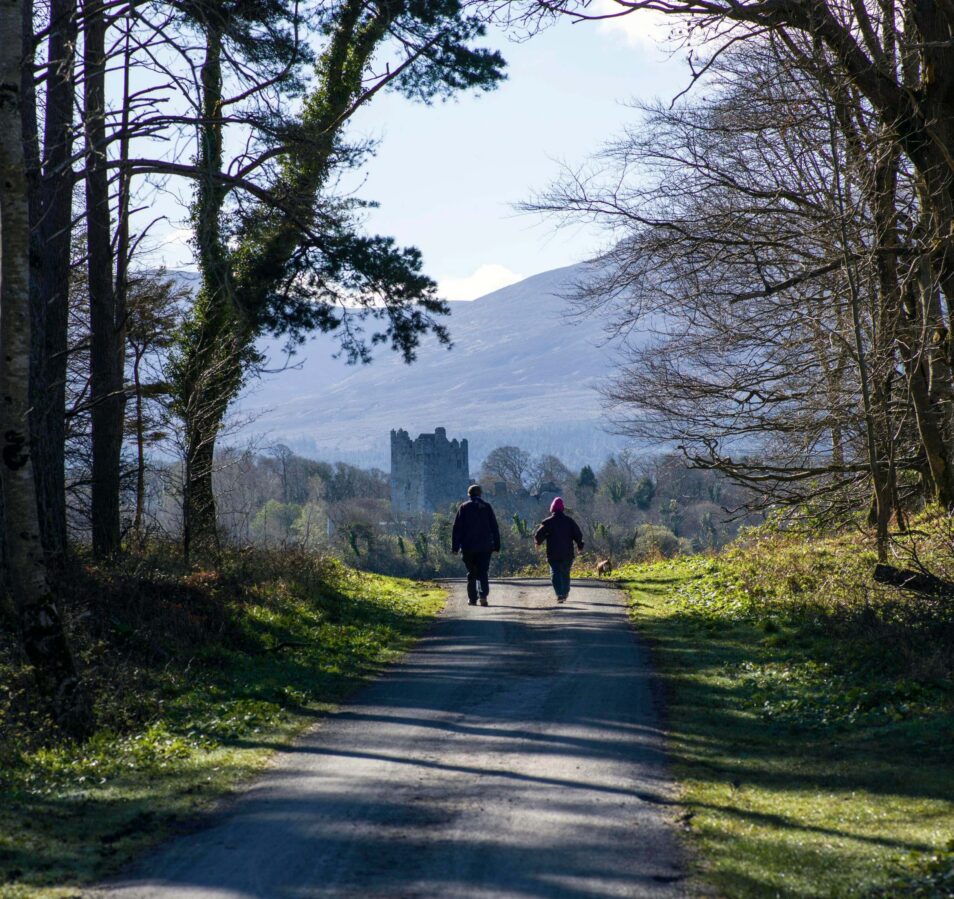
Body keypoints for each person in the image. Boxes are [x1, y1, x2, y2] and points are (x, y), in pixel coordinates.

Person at [451, 484, 501, 606]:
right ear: (480, 494)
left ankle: (472, 599)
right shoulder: (487, 507)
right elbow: (494, 527)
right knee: (483, 571)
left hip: (468, 547)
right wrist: (496, 545)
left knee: (471, 572)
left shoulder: (463, 507)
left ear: (469, 494)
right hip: (485, 546)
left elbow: (457, 529)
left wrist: (455, 547)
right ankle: (483, 595)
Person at [534, 497, 584, 603]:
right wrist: (580, 546)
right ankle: (565, 592)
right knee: (565, 573)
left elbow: (539, 534)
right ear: (562, 508)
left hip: (553, 554)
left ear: (552, 508)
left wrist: (537, 543)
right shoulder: (569, 521)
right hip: (567, 554)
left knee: (555, 573)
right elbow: (578, 534)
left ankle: (560, 594)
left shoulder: (548, 522)